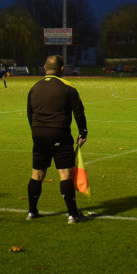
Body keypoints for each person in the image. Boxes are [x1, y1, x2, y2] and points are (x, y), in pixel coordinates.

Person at [26, 55, 89, 224]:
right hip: (59, 133)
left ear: (45, 68)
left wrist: (37, 131)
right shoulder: (68, 87)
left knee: (37, 173)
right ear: (62, 69)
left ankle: (32, 211)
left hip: (38, 134)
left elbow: (29, 113)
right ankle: (73, 215)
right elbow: (78, 113)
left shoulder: (34, 87)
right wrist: (83, 133)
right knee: (65, 174)